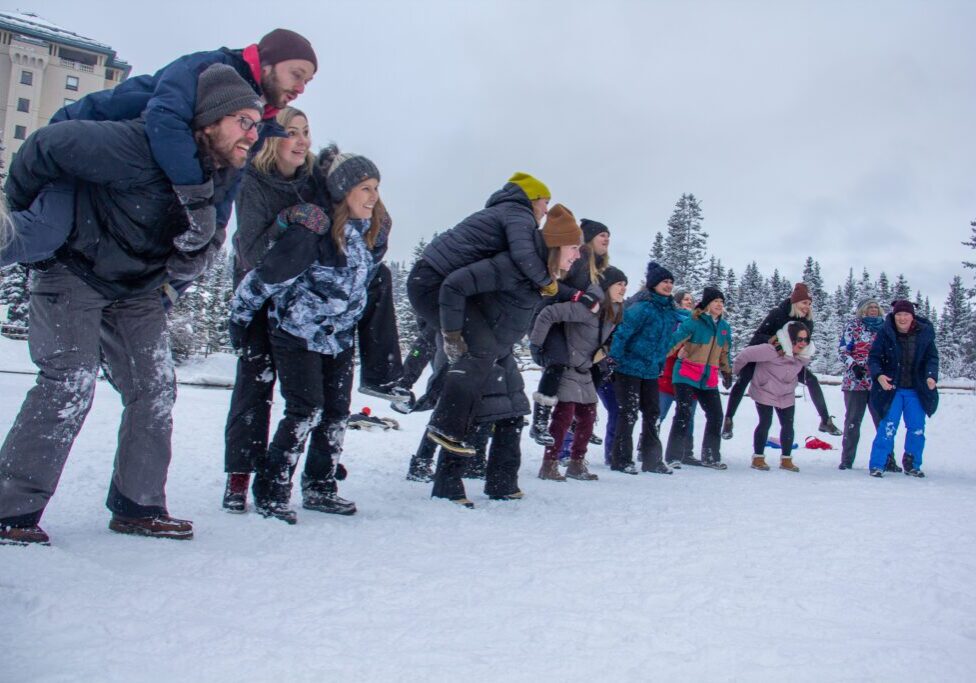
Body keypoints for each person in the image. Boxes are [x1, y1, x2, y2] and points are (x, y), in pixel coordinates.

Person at [0, 64, 262, 545]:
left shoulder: (224, 175)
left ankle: (138, 505)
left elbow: (209, 239)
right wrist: (36, 221)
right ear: (208, 119)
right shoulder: (132, 145)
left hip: (137, 287)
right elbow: (43, 146)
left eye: (258, 123)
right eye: (244, 121)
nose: (254, 133)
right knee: (70, 381)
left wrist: (190, 254)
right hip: (75, 269)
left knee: (155, 387)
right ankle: (10, 510)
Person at [49, 29, 317, 257]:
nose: (302, 88)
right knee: (43, 235)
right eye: (296, 74)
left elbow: (227, 184)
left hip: (121, 191)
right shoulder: (208, 69)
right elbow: (166, 121)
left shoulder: (256, 121)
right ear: (267, 63)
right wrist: (198, 199)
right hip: (74, 146)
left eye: (307, 81)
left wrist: (211, 240)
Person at [228, 147, 389, 522]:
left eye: (376, 188)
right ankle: (271, 489)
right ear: (344, 191)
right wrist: (239, 322)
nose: (373, 197)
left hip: (338, 339)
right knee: (306, 410)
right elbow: (264, 278)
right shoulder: (311, 235)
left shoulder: (366, 240)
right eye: (365, 188)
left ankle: (320, 486)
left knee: (335, 414)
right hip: (297, 334)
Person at [407, 174, 586, 453]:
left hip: (436, 282)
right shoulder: (518, 216)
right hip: (434, 282)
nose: (545, 210)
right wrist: (546, 282)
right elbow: (525, 254)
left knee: (473, 352)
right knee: (475, 350)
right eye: (544, 202)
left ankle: (435, 412)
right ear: (531, 198)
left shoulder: (505, 213)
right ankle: (441, 422)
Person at [427, 207, 582, 503]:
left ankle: (502, 483)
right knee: (469, 413)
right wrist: (454, 335)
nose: (576, 255)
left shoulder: (540, 275)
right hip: (477, 347)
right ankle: (446, 484)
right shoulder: (512, 266)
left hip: (500, 350)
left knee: (512, 411)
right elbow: (455, 285)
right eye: (573, 248)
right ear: (556, 244)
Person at [221, 106, 317, 512]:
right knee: (255, 385)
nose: (301, 140)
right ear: (271, 139)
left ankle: (292, 474)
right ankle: (239, 476)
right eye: (291, 132)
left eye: (306, 132)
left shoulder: (313, 182)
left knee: (306, 393)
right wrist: (286, 221)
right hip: (258, 299)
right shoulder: (253, 183)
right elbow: (250, 253)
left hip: (299, 302)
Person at [532, 266, 626, 481]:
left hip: (585, 369)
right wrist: (537, 345)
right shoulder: (587, 308)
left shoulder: (615, 312)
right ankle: (549, 464)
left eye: (625, 285)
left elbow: (608, 338)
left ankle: (576, 464)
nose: (623, 289)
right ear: (606, 285)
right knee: (564, 416)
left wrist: (604, 353)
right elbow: (548, 314)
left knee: (588, 417)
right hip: (567, 365)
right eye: (619, 284)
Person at [528, 218, 610, 445]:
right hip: (547, 316)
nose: (607, 239)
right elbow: (552, 282)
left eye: (608, 236)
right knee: (558, 362)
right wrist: (577, 295)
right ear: (589, 238)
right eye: (602, 235)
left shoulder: (598, 266)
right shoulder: (579, 258)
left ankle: (579, 420)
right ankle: (539, 423)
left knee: (591, 367)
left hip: (568, 320)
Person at [722, 283, 841, 439]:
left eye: (810, 304)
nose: (807, 307)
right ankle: (729, 419)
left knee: (811, 379)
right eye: (804, 303)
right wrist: (776, 343)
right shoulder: (778, 314)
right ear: (795, 302)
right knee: (744, 378)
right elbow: (758, 336)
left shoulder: (808, 322)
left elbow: (803, 345)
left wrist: (802, 355)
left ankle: (825, 420)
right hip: (764, 355)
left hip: (787, 361)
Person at [428, 353, 529, 507]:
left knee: (512, 421)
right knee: (467, 426)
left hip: (504, 366)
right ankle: (447, 486)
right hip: (472, 363)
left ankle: (503, 483)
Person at [607, 262, 678, 474]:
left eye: (671, 282)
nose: (668, 285)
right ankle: (620, 459)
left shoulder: (669, 310)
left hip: (650, 370)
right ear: (653, 284)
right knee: (628, 413)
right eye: (664, 281)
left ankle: (652, 460)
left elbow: (665, 341)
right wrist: (614, 359)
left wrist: (660, 364)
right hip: (628, 367)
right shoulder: (642, 307)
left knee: (652, 414)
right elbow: (623, 333)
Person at [866, 300, 939, 478]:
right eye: (899, 314)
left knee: (916, 428)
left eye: (906, 314)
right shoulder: (885, 332)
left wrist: (931, 376)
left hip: (916, 389)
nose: (902, 318)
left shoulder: (924, 334)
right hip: (892, 389)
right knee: (887, 427)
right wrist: (879, 376)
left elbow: (932, 358)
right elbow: (874, 358)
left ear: (912, 316)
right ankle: (878, 464)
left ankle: (912, 464)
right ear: (894, 316)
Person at [664, 287, 733, 470]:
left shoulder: (724, 328)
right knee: (684, 413)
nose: (719, 305)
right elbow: (674, 341)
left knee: (716, 415)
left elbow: (725, 352)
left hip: (708, 377)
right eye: (716, 301)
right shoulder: (693, 322)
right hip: (686, 373)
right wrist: (659, 360)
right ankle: (674, 456)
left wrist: (727, 371)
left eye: (722, 302)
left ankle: (710, 456)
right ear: (707, 304)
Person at [733, 322, 814, 472]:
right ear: (790, 338)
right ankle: (758, 458)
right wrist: (738, 372)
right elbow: (744, 355)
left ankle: (786, 460)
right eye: (799, 339)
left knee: (788, 425)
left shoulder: (802, 355)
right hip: (765, 390)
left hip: (786, 392)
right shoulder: (771, 350)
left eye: (806, 340)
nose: (803, 343)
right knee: (765, 422)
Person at [837, 298, 898, 471]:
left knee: (882, 421)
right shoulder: (853, 326)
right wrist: (853, 365)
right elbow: (842, 351)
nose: (873, 310)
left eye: (875, 307)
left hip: (878, 381)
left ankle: (888, 460)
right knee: (853, 421)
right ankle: (847, 459)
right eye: (869, 307)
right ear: (862, 310)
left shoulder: (886, 328)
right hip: (855, 381)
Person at [658, 288, 699, 467]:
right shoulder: (672, 320)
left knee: (687, 417)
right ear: (678, 302)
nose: (689, 302)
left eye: (691, 299)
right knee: (659, 415)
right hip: (668, 377)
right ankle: (647, 448)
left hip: (690, 377)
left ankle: (685, 452)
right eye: (686, 299)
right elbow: (666, 346)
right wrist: (677, 354)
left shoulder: (698, 323)